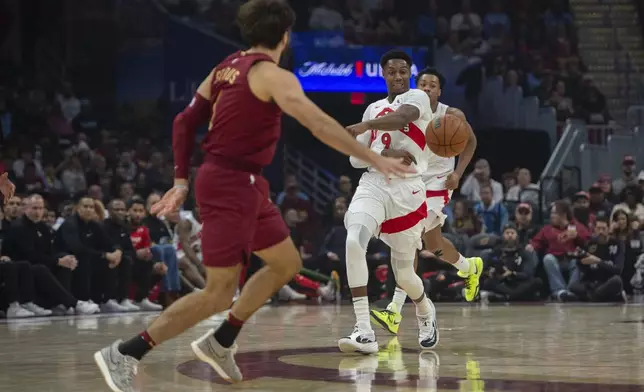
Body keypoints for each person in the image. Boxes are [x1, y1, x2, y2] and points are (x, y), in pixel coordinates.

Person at [94, 1, 412, 390]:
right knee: (217, 292)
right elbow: (318, 124)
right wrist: (374, 159)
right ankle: (127, 352)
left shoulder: (227, 67)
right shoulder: (273, 75)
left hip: (245, 183)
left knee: (285, 262)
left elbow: (183, 121)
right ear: (285, 36)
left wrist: (180, 181)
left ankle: (221, 340)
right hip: (228, 182)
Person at [339, 52, 452, 354]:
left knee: (404, 274)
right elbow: (354, 158)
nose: (398, 76)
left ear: (410, 74)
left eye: (404, 71)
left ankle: (425, 310)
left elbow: (402, 118)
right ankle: (364, 331)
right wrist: (381, 156)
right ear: (383, 75)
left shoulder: (418, 97)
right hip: (374, 184)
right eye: (392, 72)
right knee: (353, 241)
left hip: (408, 192)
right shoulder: (373, 107)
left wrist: (364, 128)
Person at [370, 67, 482, 338]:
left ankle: (394, 311)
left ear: (439, 91)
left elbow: (471, 142)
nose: (427, 88)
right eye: (423, 83)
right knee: (434, 245)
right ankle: (470, 268)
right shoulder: (406, 112)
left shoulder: (451, 115)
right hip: (415, 180)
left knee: (410, 236)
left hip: (440, 183)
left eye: (433, 84)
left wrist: (457, 173)